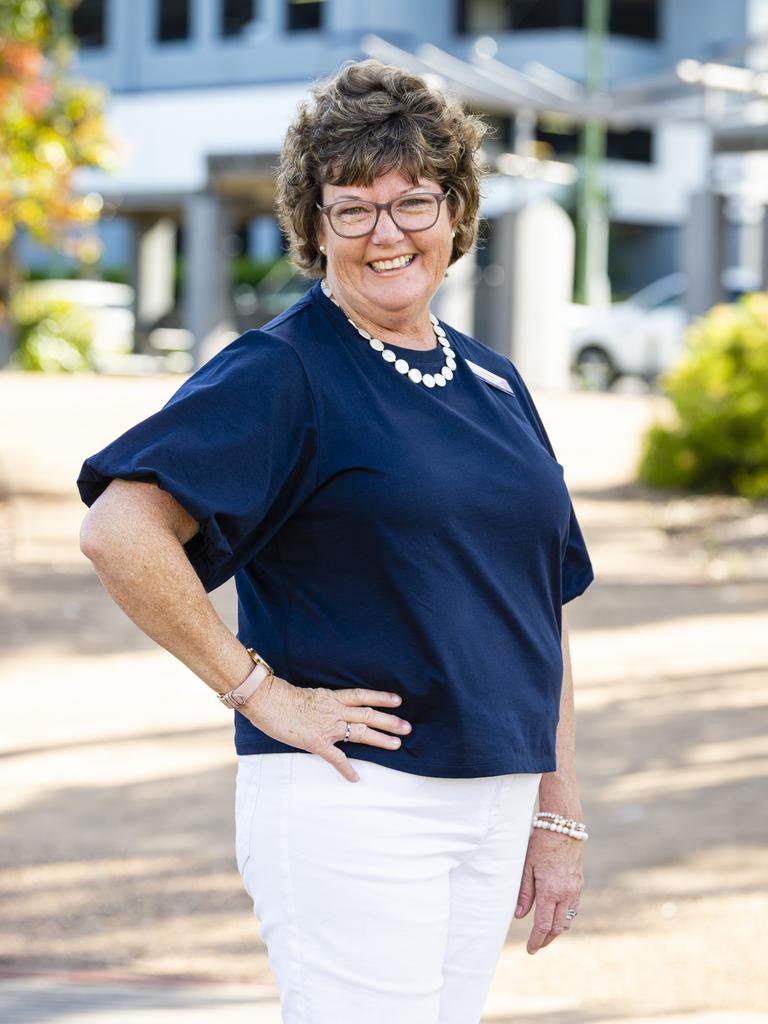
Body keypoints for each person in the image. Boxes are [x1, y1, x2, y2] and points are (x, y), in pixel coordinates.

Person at [77, 58, 595, 1024]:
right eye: (352, 208)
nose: (386, 233)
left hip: (494, 800)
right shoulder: (284, 370)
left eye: (414, 202)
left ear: (457, 212)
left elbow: (541, 607)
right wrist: (260, 693)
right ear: (316, 228)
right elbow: (119, 531)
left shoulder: (494, 382)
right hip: (359, 805)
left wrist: (555, 810)